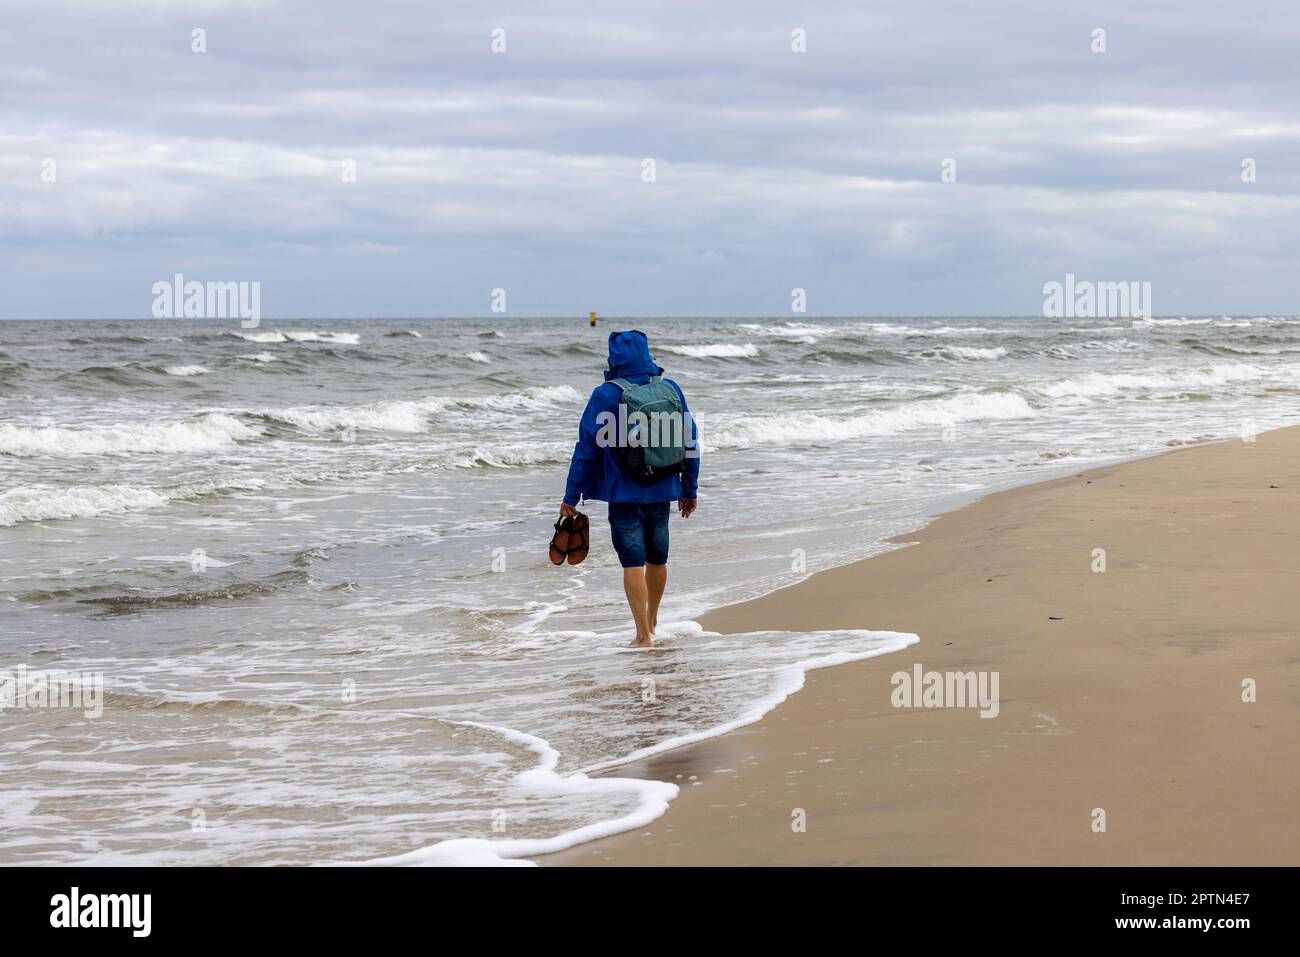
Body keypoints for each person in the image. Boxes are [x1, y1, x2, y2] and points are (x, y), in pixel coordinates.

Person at [561, 330, 700, 647]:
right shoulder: (670, 388)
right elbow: (691, 442)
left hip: (624, 494)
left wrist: (571, 496)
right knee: (658, 558)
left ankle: (642, 636)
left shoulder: (606, 394)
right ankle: (652, 621)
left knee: (632, 562)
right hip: (664, 489)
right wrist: (689, 490)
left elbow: (586, 448)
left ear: (614, 359)